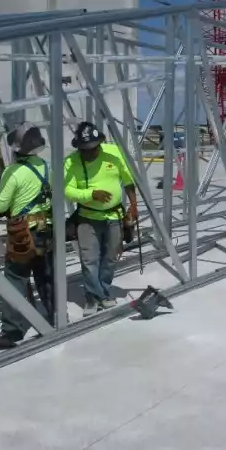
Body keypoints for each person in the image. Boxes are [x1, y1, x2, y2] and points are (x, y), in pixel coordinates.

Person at [0, 123, 54, 349]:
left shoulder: (12, 172)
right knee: (45, 275)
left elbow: (0, 203)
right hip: (44, 226)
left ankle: (12, 331)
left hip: (22, 232)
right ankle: (54, 317)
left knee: (15, 279)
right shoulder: (45, 166)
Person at [64, 121, 138, 316]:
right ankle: (92, 297)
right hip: (87, 218)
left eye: (91, 149)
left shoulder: (114, 153)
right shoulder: (71, 162)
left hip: (114, 216)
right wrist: (90, 195)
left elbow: (128, 179)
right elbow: (67, 190)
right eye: (83, 150)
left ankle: (103, 290)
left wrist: (134, 205)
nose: (88, 153)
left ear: (100, 144)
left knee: (111, 256)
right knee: (90, 259)